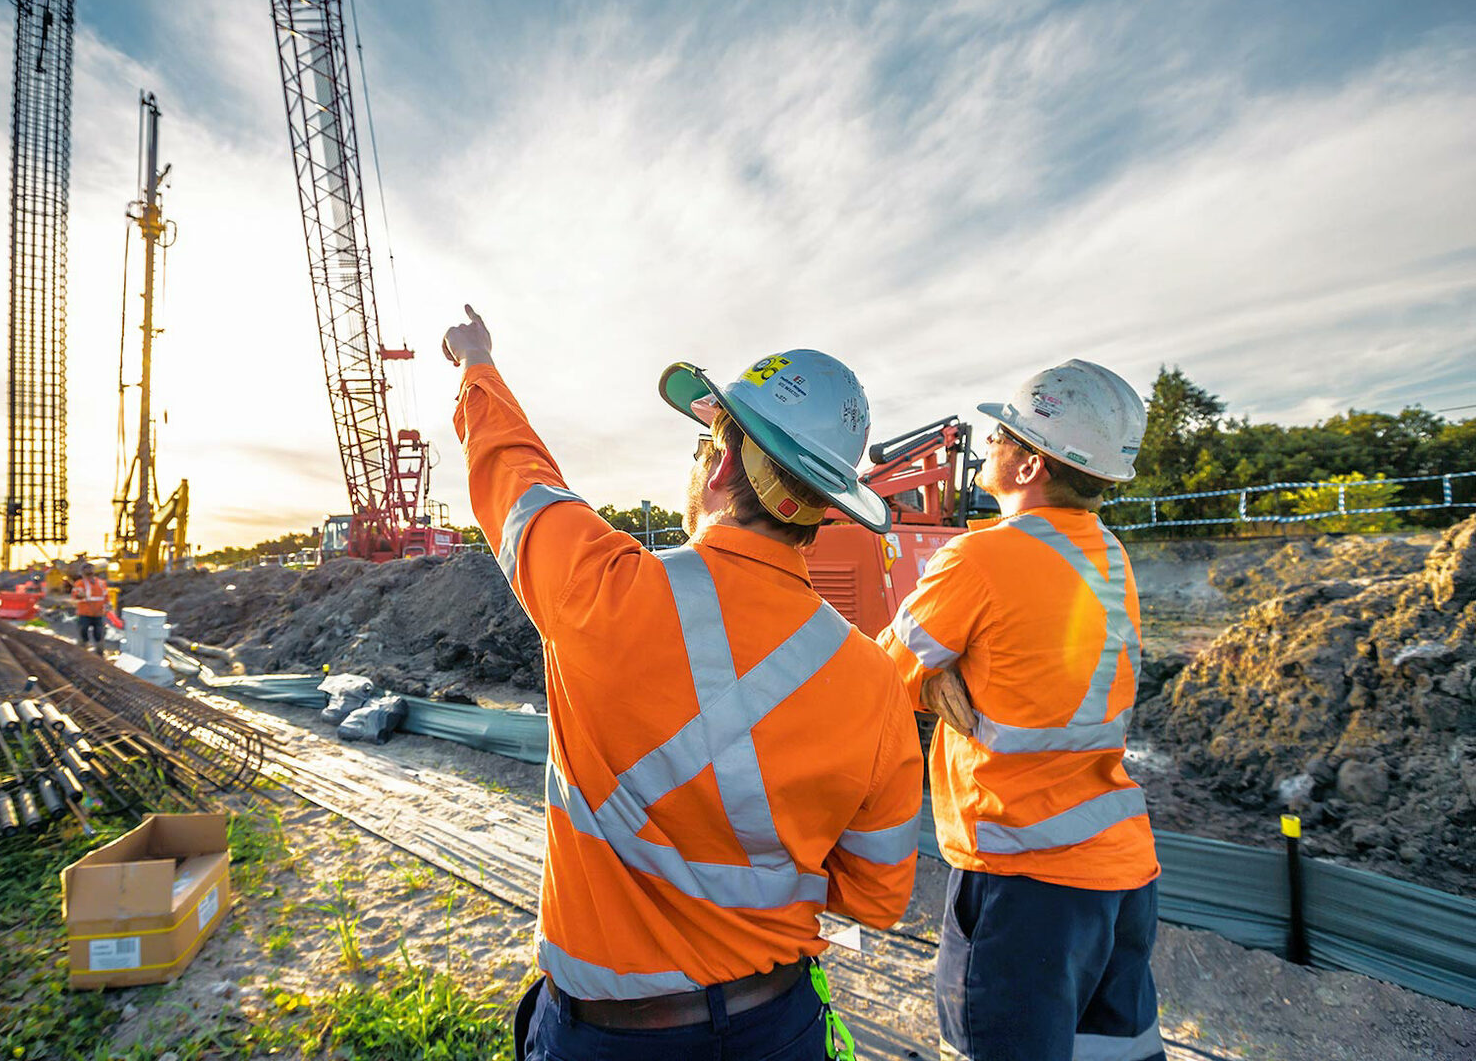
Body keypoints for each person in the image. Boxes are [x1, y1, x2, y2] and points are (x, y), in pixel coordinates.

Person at [443, 305, 925, 1061]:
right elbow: (875, 897)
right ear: (823, 510)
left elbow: (514, 475)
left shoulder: (601, 591)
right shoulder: (876, 683)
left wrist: (477, 365)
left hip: (611, 1038)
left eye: (709, 439)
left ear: (725, 465)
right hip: (780, 1025)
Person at [876, 359, 1164, 1061]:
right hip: (1120, 872)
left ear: (1031, 465)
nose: (990, 441)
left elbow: (877, 671)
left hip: (1022, 878)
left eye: (1001, 432)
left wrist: (921, 681)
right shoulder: (1109, 557)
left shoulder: (982, 558)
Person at [72, 561, 108, 656]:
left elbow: (106, 596)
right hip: (84, 613)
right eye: (86, 569)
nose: (89, 571)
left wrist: (108, 607)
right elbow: (75, 594)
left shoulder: (101, 583)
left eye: (90, 568)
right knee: (83, 631)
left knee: (99, 634)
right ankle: (82, 651)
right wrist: (79, 595)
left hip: (98, 613)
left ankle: (100, 653)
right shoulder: (80, 583)